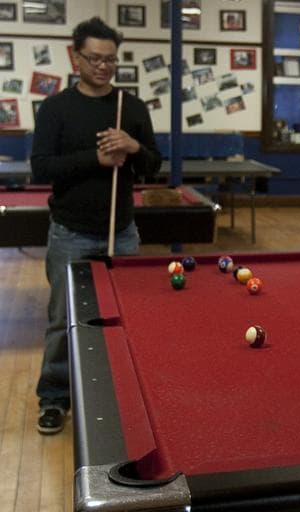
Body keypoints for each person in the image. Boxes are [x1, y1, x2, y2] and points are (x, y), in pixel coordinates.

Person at [32, 17, 161, 434]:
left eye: (110, 60)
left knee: (127, 319)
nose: (103, 67)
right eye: (94, 59)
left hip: (121, 232)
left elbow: (154, 166)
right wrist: (96, 157)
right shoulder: (55, 109)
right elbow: (41, 169)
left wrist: (134, 146)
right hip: (69, 233)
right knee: (62, 320)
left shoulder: (131, 108)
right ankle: (54, 397)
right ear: (75, 57)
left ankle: (126, 395)